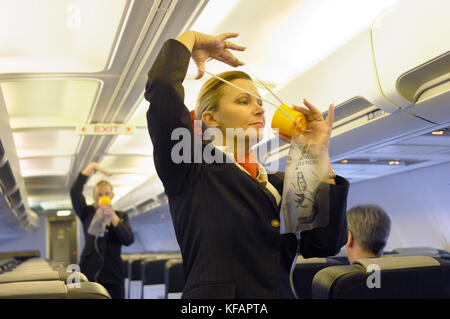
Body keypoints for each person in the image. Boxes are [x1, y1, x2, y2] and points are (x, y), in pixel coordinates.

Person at [145, 30, 350, 298]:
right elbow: (162, 89)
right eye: (243, 101)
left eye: (259, 102)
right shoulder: (190, 168)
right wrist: (191, 39)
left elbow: (323, 244)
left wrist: (317, 154)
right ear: (211, 118)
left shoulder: (279, 183)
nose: (260, 109)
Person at [70, 162, 135, 299]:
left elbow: (128, 240)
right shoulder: (87, 213)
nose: (103, 197)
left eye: (106, 194)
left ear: (112, 196)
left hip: (113, 275)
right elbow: (75, 192)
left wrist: (113, 217)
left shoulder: (121, 216)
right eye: (99, 195)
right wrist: (89, 169)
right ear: (94, 198)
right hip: (89, 274)